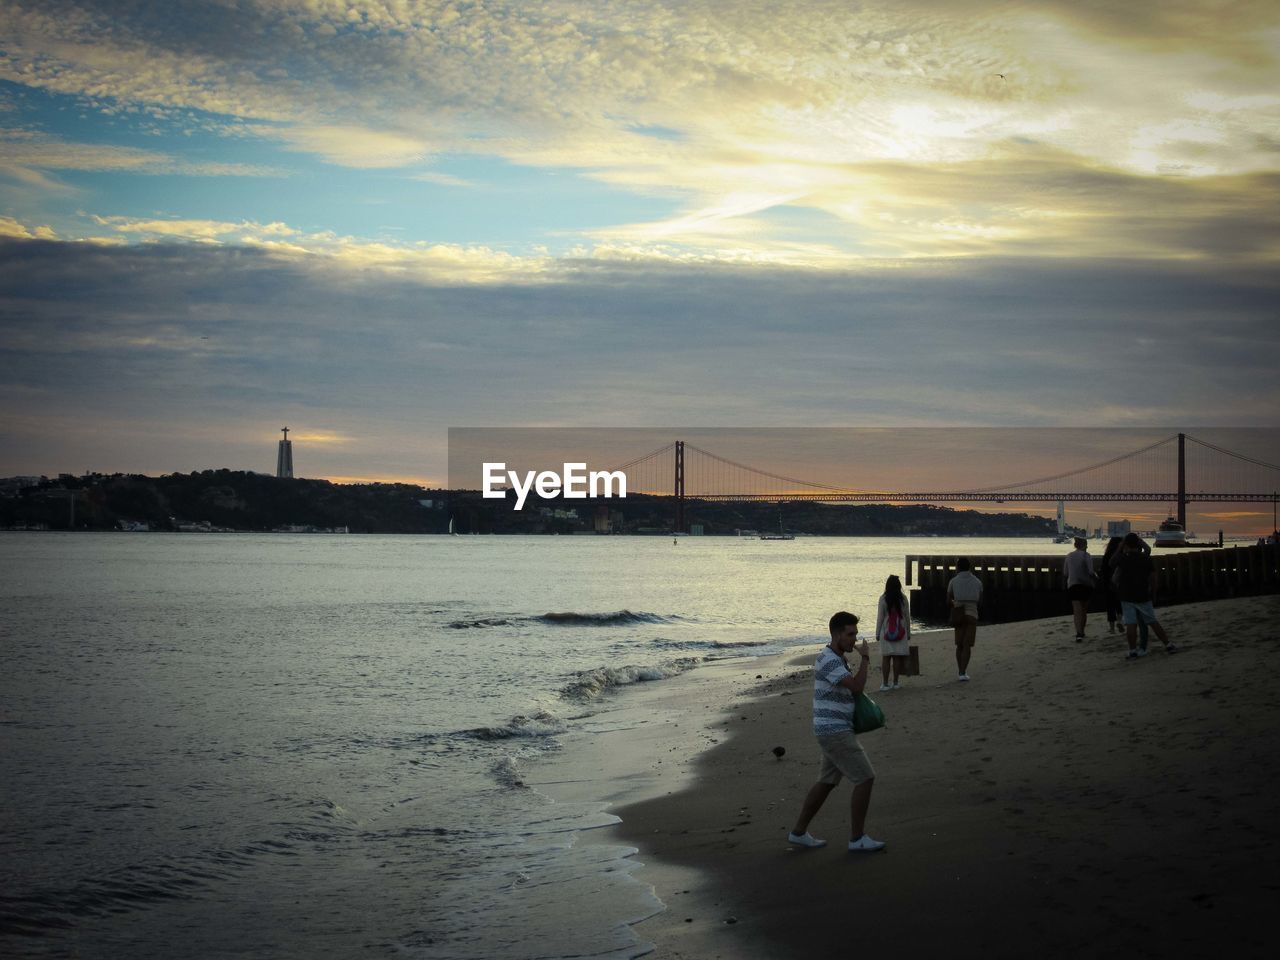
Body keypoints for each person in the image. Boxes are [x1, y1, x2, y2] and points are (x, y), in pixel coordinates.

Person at [788, 611, 886, 853]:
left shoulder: (836, 657)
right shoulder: (829, 659)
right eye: (850, 634)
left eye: (855, 634)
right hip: (834, 730)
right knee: (865, 777)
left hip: (831, 728)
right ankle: (857, 838)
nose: (854, 639)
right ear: (836, 634)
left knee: (826, 782)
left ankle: (798, 833)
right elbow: (856, 687)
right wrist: (865, 659)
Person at [1111, 532, 1177, 659]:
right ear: (1138, 544)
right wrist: (1154, 592)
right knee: (1152, 621)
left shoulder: (1122, 558)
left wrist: (1120, 547)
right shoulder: (1145, 558)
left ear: (1126, 545)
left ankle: (1132, 651)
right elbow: (1153, 577)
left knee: (1130, 623)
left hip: (1126, 595)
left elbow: (1111, 562)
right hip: (1142, 594)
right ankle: (1168, 644)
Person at [946, 558, 982, 681]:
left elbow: (948, 600)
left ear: (958, 567)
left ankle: (960, 672)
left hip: (958, 614)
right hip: (972, 614)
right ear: (969, 567)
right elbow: (980, 599)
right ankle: (963, 672)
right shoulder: (977, 581)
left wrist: (955, 603)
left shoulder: (953, 581)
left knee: (959, 644)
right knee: (967, 645)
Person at [875, 575, 912, 691]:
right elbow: (907, 617)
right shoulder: (903, 598)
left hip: (886, 632)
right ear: (899, 586)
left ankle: (885, 684)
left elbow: (880, 617)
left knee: (886, 658)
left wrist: (877, 633)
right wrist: (909, 632)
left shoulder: (883, 598)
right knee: (897, 658)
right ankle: (895, 683)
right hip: (900, 632)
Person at [1062, 536, 1097, 642]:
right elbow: (1091, 572)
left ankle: (1078, 633)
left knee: (1076, 610)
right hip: (1086, 585)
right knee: (1084, 610)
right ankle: (1082, 631)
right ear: (1084, 545)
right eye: (1086, 545)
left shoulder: (1069, 556)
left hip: (1073, 585)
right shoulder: (1087, 556)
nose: (1087, 547)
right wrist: (1096, 577)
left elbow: (1065, 573)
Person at [1098, 536, 1124, 634]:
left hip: (1108, 583)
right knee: (1119, 603)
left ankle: (1112, 628)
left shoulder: (1106, 555)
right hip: (1119, 583)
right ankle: (1120, 621)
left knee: (1110, 605)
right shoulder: (1121, 555)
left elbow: (1103, 570)